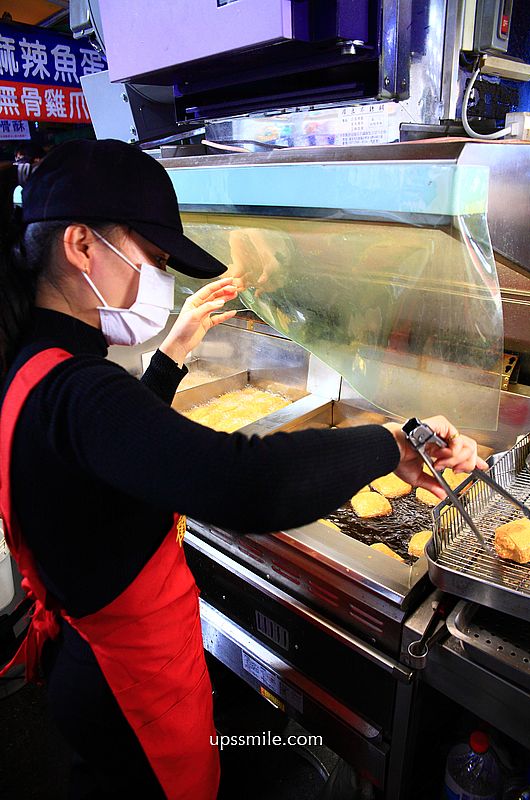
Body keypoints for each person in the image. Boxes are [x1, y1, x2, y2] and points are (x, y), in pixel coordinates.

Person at [0, 139, 487, 800]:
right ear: (82, 245)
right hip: (130, 692)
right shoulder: (80, 389)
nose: (161, 279)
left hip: (91, 661)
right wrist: (391, 444)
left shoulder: (36, 364)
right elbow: (249, 483)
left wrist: (171, 355)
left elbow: (113, 452)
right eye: (155, 258)